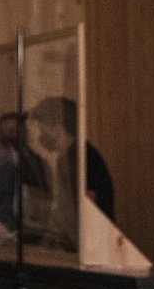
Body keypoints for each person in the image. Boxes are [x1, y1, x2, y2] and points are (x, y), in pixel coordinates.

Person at [31, 94, 115, 222]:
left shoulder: (84, 157)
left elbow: (89, 207)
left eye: (43, 130)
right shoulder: (66, 158)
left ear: (58, 128)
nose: (41, 136)